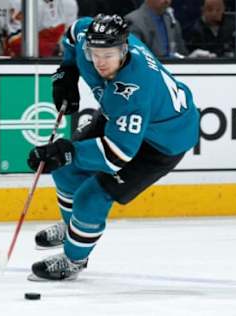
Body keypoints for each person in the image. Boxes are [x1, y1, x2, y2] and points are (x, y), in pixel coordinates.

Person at [26, 14, 200, 281]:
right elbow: (73, 34)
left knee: (91, 197)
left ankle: (74, 259)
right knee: (65, 171)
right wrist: (67, 72)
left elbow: (116, 155)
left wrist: (66, 150)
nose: (100, 62)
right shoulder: (88, 35)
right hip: (122, 118)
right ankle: (74, 227)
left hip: (164, 141)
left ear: (124, 49)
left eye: (109, 54)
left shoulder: (134, 88)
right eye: (95, 53)